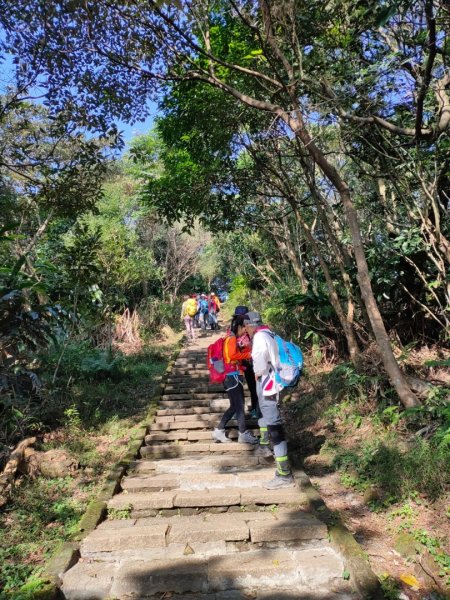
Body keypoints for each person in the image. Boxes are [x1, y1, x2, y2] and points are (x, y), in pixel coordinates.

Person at [243, 311, 294, 490]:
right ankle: (270, 451)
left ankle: (284, 474)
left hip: (268, 385)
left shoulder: (258, 337)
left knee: (275, 427)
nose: (246, 330)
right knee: (271, 422)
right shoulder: (270, 333)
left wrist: (257, 372)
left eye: (246, 327)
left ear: (249, 326)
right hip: (273, 384)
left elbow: (258, 360)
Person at [212, 314, 259, 445]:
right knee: (239, 405)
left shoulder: (229, 338)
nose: (245, 330)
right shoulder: (232, 339)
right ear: (239, 326)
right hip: (232, 376)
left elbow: (231, 355)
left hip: (229, 376)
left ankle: (219, 430)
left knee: (234, 406)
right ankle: (243, 434)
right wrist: (248, 354)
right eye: (244, 327)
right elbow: (232, 355)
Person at [233, 305, 260, 418]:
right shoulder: (236, 328)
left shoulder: (250, 328)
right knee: (240, 387)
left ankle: (254, 408)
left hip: (248, 361)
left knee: (252, 386)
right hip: (241, 360)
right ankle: (240, 410)